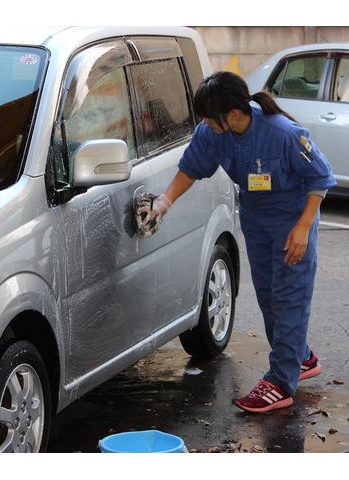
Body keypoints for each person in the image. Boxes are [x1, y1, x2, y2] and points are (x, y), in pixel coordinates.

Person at [140, 71, 336, 413]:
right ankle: (300, 357)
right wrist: (164, 203)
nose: (205, 124)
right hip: (257, 222)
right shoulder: (213, 133)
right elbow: (191, 168)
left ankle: (280, 382)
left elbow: (320, 176)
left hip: (292, 221)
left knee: (289, 298)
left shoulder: (283, 134)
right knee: (268, 296)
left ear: (232, 114)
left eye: (208, 118)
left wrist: (304, 226)